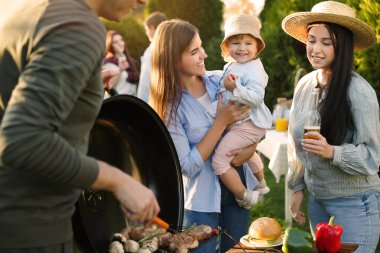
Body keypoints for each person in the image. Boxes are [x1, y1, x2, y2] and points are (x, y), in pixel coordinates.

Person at [0, 0, 160, 252]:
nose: (143, 2)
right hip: (33, 229)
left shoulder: (33, 9)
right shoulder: (79, 25)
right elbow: (22, 140)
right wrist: (119, 181)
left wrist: (87, 85)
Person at [150, 19, 259, 253]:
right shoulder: (170, 108)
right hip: (200, 200)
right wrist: (220, 122)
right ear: (172, 58)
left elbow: (255, 117)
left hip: (236, 186)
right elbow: (187, 166)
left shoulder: (219, 81)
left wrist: (251, 148)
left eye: (201, 47)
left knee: (237, 250)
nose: (205, 55)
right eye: (194, 51)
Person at [282, 1, 380, 252]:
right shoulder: (304, 85)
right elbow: (296, 145)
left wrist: (332, 152)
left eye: (326, 42)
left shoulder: (359, 93)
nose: (315, 49)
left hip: (355, 204)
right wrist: (298, 187)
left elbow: (372, 159)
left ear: (343, 46)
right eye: (312, 40)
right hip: (317, 202)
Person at [206, 13, 272, 209]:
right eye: (235, 43)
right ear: (227, 47)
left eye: (247, 43)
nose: (242, 48)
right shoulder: (233, 65)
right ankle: (261, 182)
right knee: (246, 152)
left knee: (219, 161)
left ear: (257, 46)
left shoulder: (253, 69)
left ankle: (244, 196)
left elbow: (257, 97)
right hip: (242, 125)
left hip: (247, 125)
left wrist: (234, 89)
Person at [137, 11, 167, 103]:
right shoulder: (171, 47)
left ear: (152, 28)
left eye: (146, 29)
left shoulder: (153, 49)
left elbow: (146, 81)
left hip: (153, 103)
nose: (147, 33)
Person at [104, 30, 140, 97]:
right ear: (110, 45)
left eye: (121, 40)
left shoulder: (129, 61)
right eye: (115, 42)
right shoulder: (108, 63)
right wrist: (120, 69)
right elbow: (108, 86)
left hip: (131, 100)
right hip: (118, 101)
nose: (120, 43)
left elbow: (133, 87)